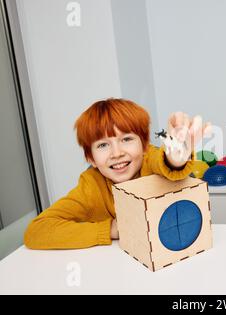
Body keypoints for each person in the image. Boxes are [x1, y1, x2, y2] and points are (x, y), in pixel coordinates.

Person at [24, 98, 211, 249]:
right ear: (90, 158)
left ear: (144, 144)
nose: (117, 153)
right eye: (103, 145)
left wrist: (176, 160)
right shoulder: (91, 185)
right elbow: (36, 231)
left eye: (126, 139)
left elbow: (165, 164)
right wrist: (111, 229)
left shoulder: (150, 159)